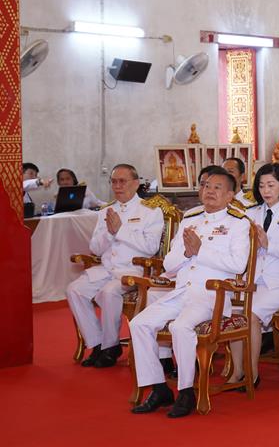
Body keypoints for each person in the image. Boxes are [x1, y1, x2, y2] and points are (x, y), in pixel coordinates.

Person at [129, 170, 251, 418]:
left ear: (229, 195)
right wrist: (186, 253)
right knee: (139, 323)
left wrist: (199, 249)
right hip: (182, 292)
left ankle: (186, 391)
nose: (210, 191)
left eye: (217, 187)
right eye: (206, 186)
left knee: (180, 327)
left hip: (211, 296)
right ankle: (160, 388)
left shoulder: (239, 223)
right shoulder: (189, 219)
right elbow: (169, 265)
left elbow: (238, 265)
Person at [66, 164, 164, 368]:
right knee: (74, 289)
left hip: (133, 270)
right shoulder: (106, 211)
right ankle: (97, 343)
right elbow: (95, 248)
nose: (117, 186)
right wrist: (108, 233)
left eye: (123, 181)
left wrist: (120, 231)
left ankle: (111, 346)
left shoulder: (150, 212)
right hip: (107, 269)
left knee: (109, 292)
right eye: (114, 182)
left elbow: (151, 247)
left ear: (136, 184)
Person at [226, 163, 279, 388]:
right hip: (253, 278)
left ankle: (252, 374)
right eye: (261, 185)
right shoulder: (249, 213)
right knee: (233, 313)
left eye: (271, 185)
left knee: (250, 314)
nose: (266, 190)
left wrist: (268, 244)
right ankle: (237, 371)